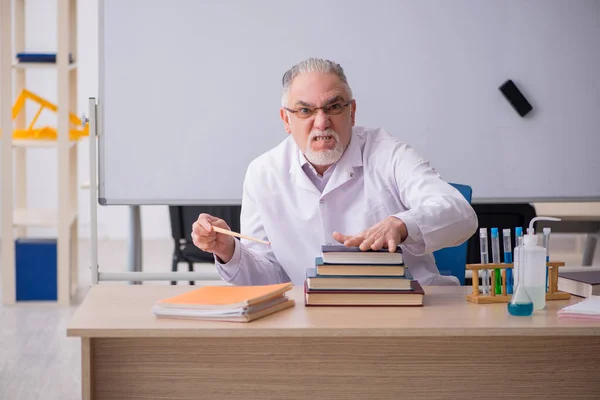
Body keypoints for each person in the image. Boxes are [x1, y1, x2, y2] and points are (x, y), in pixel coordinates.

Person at [192, 57, 478, 286]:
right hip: (314, 320)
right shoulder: (263, 173)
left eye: (334, 107)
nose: (321, 122)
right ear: (286, 120)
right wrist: (229, 250)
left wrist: (400, 225)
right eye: (305, 111)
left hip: (411, 311)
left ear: (351, 112)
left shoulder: (389, 153)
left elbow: (459, 214)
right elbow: (269, 280)